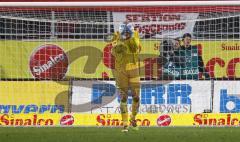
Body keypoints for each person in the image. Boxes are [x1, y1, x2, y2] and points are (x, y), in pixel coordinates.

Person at [111, 23, 141, 132]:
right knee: (123, 97)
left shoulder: (135, 36)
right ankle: (125, 125)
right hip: (121, 71)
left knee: (136, 97)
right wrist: (120, 39)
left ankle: (133, 118)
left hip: (134, 70)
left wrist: (130, 37)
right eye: (125, 32)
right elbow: (115, 50)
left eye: (129, 32)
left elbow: (136, 46)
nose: (127, 34)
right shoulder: (116, 36)